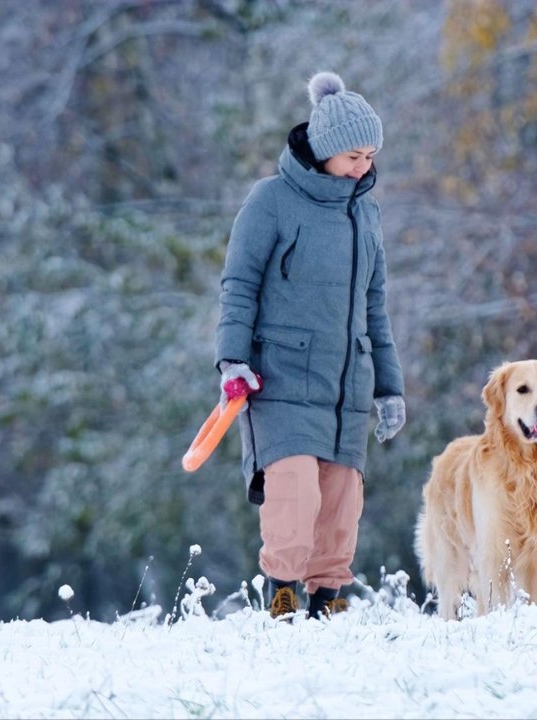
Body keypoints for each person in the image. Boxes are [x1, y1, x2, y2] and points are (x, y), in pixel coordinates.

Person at [215, 71, 405, 620]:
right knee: (294, 491)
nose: (363, 166)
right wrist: (232, 360)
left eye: (369, 154)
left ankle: (329, 602)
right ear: (323, 150)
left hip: (347, 383)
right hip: (279, 378)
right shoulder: (270, 201)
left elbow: (375, 307)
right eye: (352, 155)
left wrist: (389, 388)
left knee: (342, 505)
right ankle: (282, 594)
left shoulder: (365, 213)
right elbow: (240, 284)